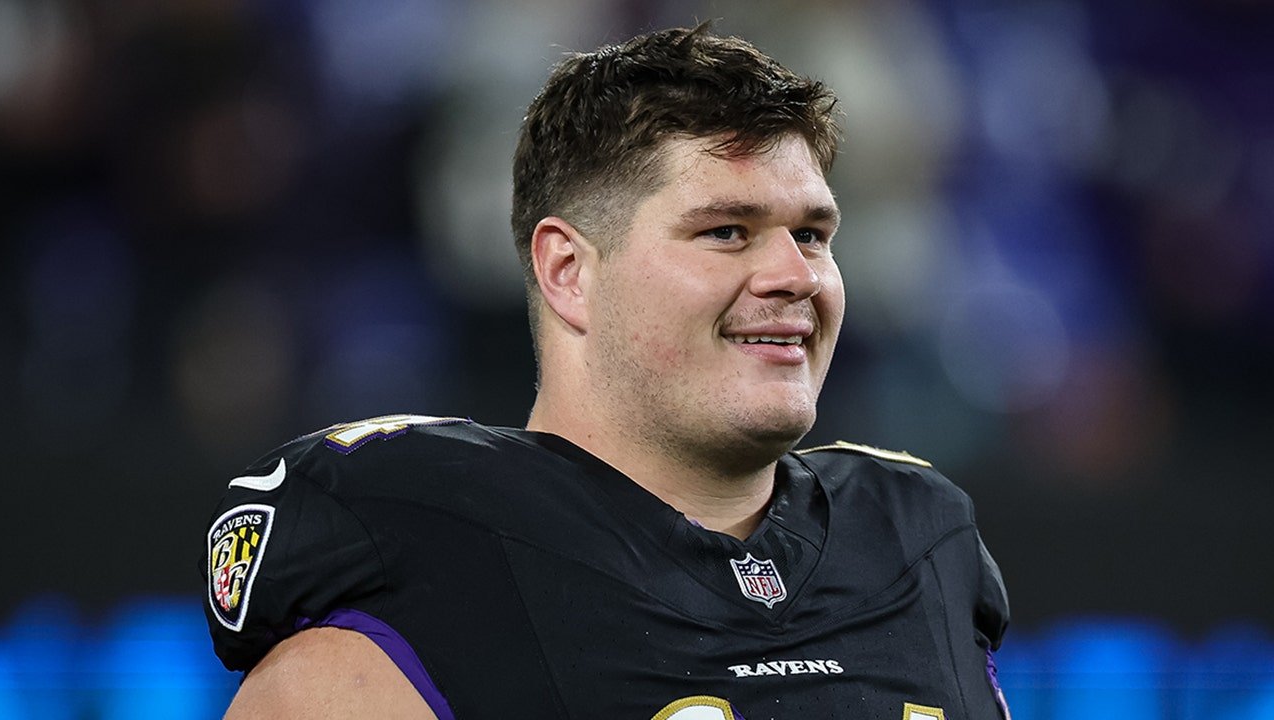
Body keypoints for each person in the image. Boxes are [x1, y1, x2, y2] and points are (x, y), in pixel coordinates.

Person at [201, 23, 1011, 719]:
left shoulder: (916, 543)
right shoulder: (430, 565)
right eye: (727, 231)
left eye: (811, 235)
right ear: (568, 271)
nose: (794, 276)